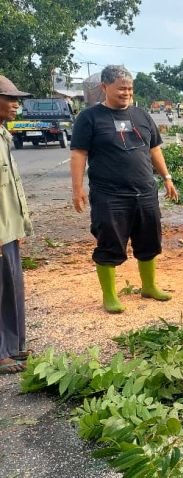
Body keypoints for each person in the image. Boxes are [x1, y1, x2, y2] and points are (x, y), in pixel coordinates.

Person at [70, 65, 179, 314]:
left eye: (129, 88)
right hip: (109, 196)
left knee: (149, 240)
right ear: (105, 87)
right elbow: (78, 153)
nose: (126, 93)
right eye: (121, 88)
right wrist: (77, 189)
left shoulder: (141, 115)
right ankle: (109, 296)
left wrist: (167, 178)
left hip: (145, 192)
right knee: (109, 243)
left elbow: (154, 149)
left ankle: (149, 286)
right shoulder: (89, 118)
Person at [0, 76, 33, 374]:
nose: (15, 104)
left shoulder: (3, 135)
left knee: (12, 288)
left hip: (8, 228)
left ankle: (12, 346)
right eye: (9, 98)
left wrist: (19, 226)